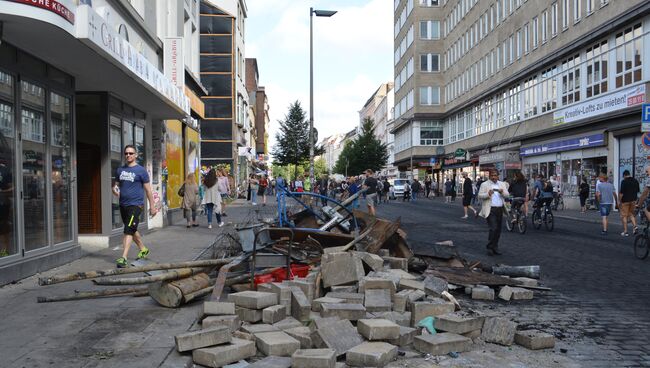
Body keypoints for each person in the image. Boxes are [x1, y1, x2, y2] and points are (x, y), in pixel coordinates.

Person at [112, 145, 157, 268]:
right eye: (126, 153)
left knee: (127, 230)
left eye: (131, 153)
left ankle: (123, 257)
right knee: (131, 228)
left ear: (135, 155)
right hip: (123, 204)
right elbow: (115, 185)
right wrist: (114, 190)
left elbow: (148, 190)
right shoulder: (120, 170)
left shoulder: (141, 171)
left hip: (136, 205)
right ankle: (143, 249)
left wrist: (152, 206)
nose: (128, 155)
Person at [478, 169, 509, 256]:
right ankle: (489, 247)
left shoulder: (502, 184)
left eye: (495, 175)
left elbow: (507, 195)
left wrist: (502, 192)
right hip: (490, 209)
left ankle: (495, 247)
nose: (493, 177)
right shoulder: (484, 184)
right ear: (489, 176)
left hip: (499, 209)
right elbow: (480, 195)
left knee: (498, 230)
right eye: (492, 175)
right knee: (493, 228)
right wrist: (488, 194)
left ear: (498, 176)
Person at [618, 170, 639, 237]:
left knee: (624, 216)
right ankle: (635, 226)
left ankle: (625, 231)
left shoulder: (624, 181)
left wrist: (619, 201)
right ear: (629, 174)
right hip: (633, 200)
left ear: (624, 175)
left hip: (625, 201)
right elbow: (637, 191)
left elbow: (621, 193)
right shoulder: (635, 181)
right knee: (631, 214)